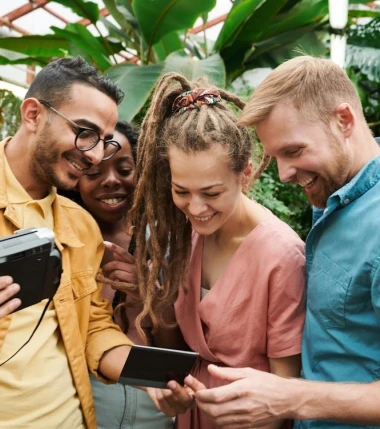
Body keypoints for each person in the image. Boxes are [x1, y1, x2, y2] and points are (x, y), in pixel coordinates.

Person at [188, 55, 380, 429]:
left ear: (344, 120)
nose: (285, 173)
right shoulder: (339, 188)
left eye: (293, 151)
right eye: (275, 156)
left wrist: (289, 397)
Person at [127, 72, 306, 429]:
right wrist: (168, 390)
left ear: (246, 174)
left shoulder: (282, 256)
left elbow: (285, 390)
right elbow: (178, 347)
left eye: (211, 193)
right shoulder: (184, 237)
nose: (195, 208)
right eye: (181, 191)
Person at [0, 57, 134, 429]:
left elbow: (91, 323)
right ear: (32, 115)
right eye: (85, 132)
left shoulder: (81, 227)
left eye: (104, 142)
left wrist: (148, 376)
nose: (93, 155)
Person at [75, 120, 173, 429]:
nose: (111, 181)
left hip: (154, 411)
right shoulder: (66, 243)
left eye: (125, 169)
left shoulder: (165, 242)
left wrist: (148, 300)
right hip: (84, 408)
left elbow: (175, 347)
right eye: (93, 173)